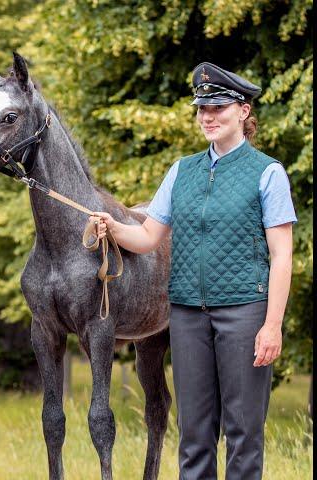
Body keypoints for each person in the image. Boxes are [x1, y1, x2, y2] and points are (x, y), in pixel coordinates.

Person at [91, 62, 296, 479]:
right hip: (185, 315)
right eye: (202, 109)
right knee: (194, 432)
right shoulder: (181, 170)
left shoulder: (268, 173)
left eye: (217, 107)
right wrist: (113, 228)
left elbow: (282, 255)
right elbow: (148, 236)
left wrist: (272, 324)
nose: (207, 117)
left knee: (243, 432)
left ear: (243, 111)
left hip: (245, 313)